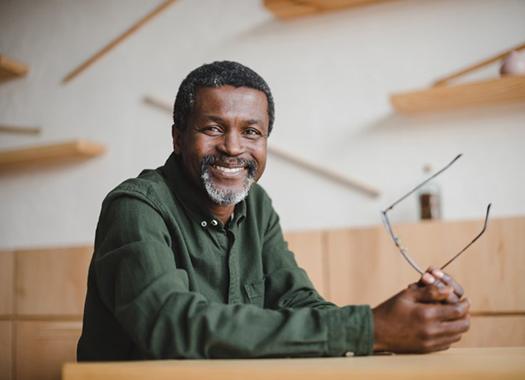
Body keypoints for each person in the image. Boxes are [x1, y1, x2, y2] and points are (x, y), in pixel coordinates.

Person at [77, 61, 470, 361]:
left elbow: (299, 302)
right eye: (213, 128)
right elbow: (172, 326)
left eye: (251, 132)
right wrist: (369, 330)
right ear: (178, 138)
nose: (233, 148)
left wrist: (402, 316)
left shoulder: (256, 204)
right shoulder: (135, 207)